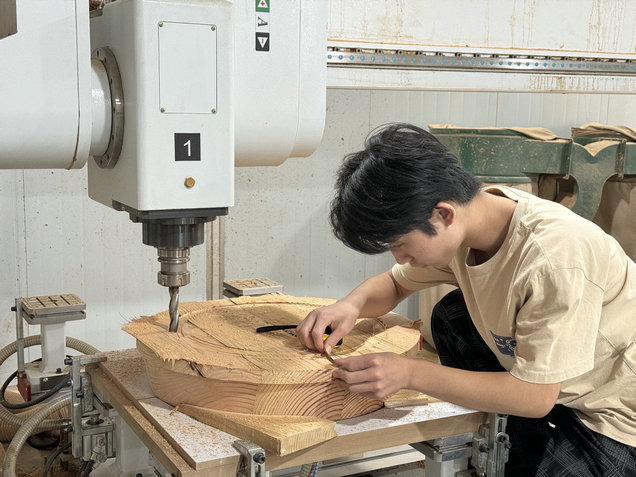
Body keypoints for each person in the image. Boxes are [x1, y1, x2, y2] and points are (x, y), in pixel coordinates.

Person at [295, 123, 636, 476]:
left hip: (614, 409)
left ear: (443, 214)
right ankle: (519, 451)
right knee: (453, 315)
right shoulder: (474, 220)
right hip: (557, 385)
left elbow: (534, 398)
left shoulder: (553, 260)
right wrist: (349, 305)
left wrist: (410, 373)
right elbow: (395, 286)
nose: (399, 258)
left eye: (399, 244)